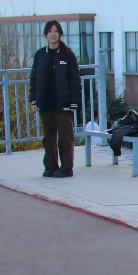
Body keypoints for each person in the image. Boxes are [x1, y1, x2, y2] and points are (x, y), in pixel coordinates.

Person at [28, 20, 81, 177]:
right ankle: (50, 167)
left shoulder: (67, 54)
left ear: (60, 34)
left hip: (63, 103)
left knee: (65, 137)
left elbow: (75, 79)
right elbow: (34, 79)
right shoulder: (40, 55)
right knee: (48, 137)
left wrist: (74, 101)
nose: (53, 34)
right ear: (46, 34)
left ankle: (66, 168)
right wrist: (33, 99)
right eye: (50, 31)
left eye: (56, 31)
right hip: (46, 103)